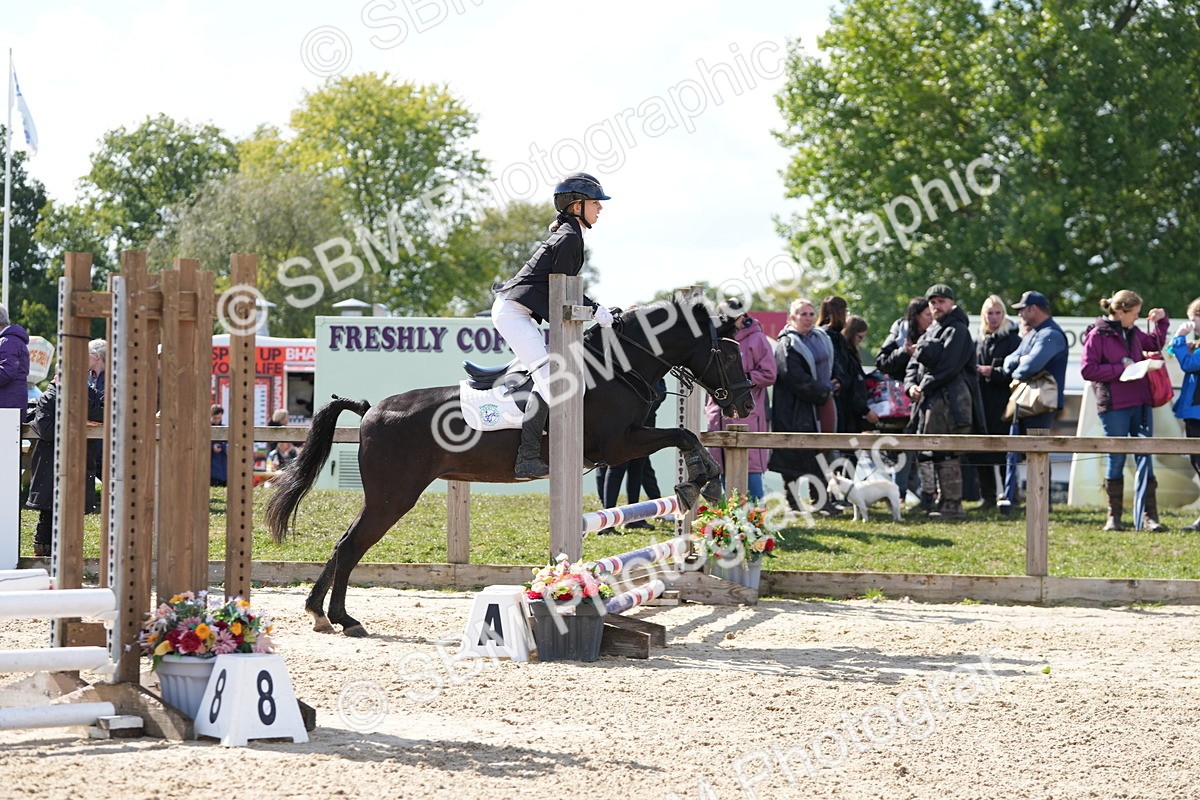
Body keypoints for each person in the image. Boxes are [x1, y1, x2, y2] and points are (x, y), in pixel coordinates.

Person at [492, 173, 612, 480]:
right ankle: (527, 457)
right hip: (512, 312)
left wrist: (593, 310)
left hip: (518, 311)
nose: (600, 209)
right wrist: (595, 310)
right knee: (551, 377)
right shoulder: (569, 238)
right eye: (595, 203)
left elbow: (562, 291)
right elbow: (562, 292)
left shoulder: (572, 235)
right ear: (576, 206)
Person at [1081, 290, 1170, 531]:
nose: (1137, 318)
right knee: (1116, 457)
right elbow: (1088, 370)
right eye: (1134, 314)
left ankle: (1150, 517)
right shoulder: (1097, 334)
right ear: (1120, 312)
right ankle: (1114, 517)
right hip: (1114, 404)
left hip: (1140, 401)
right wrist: (1120, 370)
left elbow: (1155, 343)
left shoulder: (1133, 332)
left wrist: (1162, 321)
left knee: (1145, 455)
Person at [904, 283, 984, 519]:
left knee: (948, 451)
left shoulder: (958, 330)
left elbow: (949, 367)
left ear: (952, 303)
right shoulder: (931, 330)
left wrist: (924, 385)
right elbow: (913, 366)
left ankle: (952, 504)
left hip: (953, 403)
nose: (937, 306)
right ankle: (939, 499)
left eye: (941, 301)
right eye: (933, 302)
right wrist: (911, 387)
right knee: (931, 451)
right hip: (930, 401)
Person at [999, 291, 1068, 514]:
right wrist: (1020, 361)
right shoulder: (1034, 334)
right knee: (1013, 451)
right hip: (1025, 401)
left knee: (1037, 452)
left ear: (1034, 309)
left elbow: (1030, 366)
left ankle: (1041, 503)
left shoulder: (1051, 334)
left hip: (1041, 404)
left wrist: (1019, 364)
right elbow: (1011, 360)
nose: (1020, 313)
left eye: (1022, 309)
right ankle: (1011, 500)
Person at [768, 298, 836, 515]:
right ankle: (794, 503)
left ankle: (820, 502)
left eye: (810, 314)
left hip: (817, 407)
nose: (807, 318)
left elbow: (831, 366)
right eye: (802, 314)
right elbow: (794, 377)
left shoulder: (821, 338)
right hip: (793, 408)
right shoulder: (787, 344)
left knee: (818, 454)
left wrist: (836, 382)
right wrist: (823, 392)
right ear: (792, 318)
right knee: (792, 457)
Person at [26, 370, 103, 557]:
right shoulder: (49, 397)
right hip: (52, 463)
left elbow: (101, 413)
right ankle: (43, 557)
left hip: (79, 460)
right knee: (49, 512)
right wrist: (79, 422)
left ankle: (69, 554)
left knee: (74, 511)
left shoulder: (87, 393)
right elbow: (46, 430)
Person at [706, 297, 776, 501]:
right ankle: (724, 518)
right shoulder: (715, 338)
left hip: (747, 412)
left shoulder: (758, 339)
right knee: (718, 464)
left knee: (751, 466)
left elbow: (769, 373)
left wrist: (740, 380)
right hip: (717, 412)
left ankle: (756, 517)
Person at [876, 297, 934, 507]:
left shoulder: (938, 330)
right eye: (928, 314)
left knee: (924, 449)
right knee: (902, 449)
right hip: (900, 404)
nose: (932, 317)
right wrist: (905, 352)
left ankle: (925, 496)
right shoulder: (900, 331)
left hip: (929, 398)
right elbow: (881, 362)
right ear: (916, 316)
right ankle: (898, 495)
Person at [972, 295, 1021, 510]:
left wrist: (994, 372)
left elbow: (1018, 371)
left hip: (1004, 402)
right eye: (989, 313)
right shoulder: (979, 339)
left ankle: (1010, 495)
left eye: (997, 313)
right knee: (981, 450)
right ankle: (988, 497)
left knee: (1005, 451)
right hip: (982, 403)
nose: (993, 317)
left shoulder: (1013, 339)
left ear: (1004, 314)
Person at [1167, 297, 1200, 531]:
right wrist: (1180, 342)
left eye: (1193, 319)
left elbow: (1188, 364)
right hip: (1193, 412)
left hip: (1198, 413)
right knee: (1197, 464)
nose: (1191, 324)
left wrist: (1180, 337)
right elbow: (1170, 352)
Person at [0, 304, 30, 410]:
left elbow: (6, 372)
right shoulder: (12, 340)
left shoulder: (7, 342)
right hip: (11, 404)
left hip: (6, 406)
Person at [210, 404, 228, 487]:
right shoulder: (207, 429)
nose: (217, 420)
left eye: (219, 418)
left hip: (223, 471)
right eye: (215, 418)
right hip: (211, 472)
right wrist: (211, 447)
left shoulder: (225, 429)